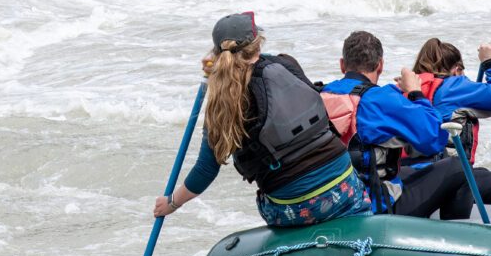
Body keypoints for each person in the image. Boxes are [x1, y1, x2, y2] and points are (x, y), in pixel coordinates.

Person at [153, 13, 370, 229]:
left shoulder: (224, 102)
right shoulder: (287, 65)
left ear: (218, 53)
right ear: (258, 44)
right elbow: (263, 66)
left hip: (293, 208)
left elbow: (206, 170)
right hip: (344, 187)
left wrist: (171, 203)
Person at [319, 31, 491, 219]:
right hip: (373, 203)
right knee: (459, 168)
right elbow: (435, 138)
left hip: (335, 198)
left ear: (342, 65)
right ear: (380, 65)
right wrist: (416, 94)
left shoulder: (321, 95)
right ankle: (456, 241)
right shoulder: (385, 98)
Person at [399, 37, 491, 165]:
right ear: (457, 69)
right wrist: (489, 62)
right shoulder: (454, 87)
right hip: (445, 172)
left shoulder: (402, 89)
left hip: (404, 172)